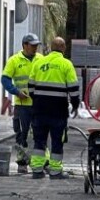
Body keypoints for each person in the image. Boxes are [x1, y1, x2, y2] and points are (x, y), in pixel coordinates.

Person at [26, 37, 80, 180]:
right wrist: (75, 105)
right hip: (58, 111)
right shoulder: (66, 64)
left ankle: (37, 170)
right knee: (57, 140)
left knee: (39, 140)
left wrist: (37, 99)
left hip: (39, 109)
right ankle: (55, 171)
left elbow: (30, 86)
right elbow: (74, 88)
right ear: (63, 48)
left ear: (50, 47)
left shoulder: (39, 63)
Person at [0, 33, 42, 173]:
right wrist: (17, 92)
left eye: (37, 45)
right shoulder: (14, 60)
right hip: (22, 105)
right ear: (25, 45)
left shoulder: (41, 60)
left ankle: (39, 163)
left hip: (38, 104)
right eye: (33, 45)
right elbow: (5, 79)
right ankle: (22, 162)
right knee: (21, 134)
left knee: (39, 133)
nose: (35, 48)